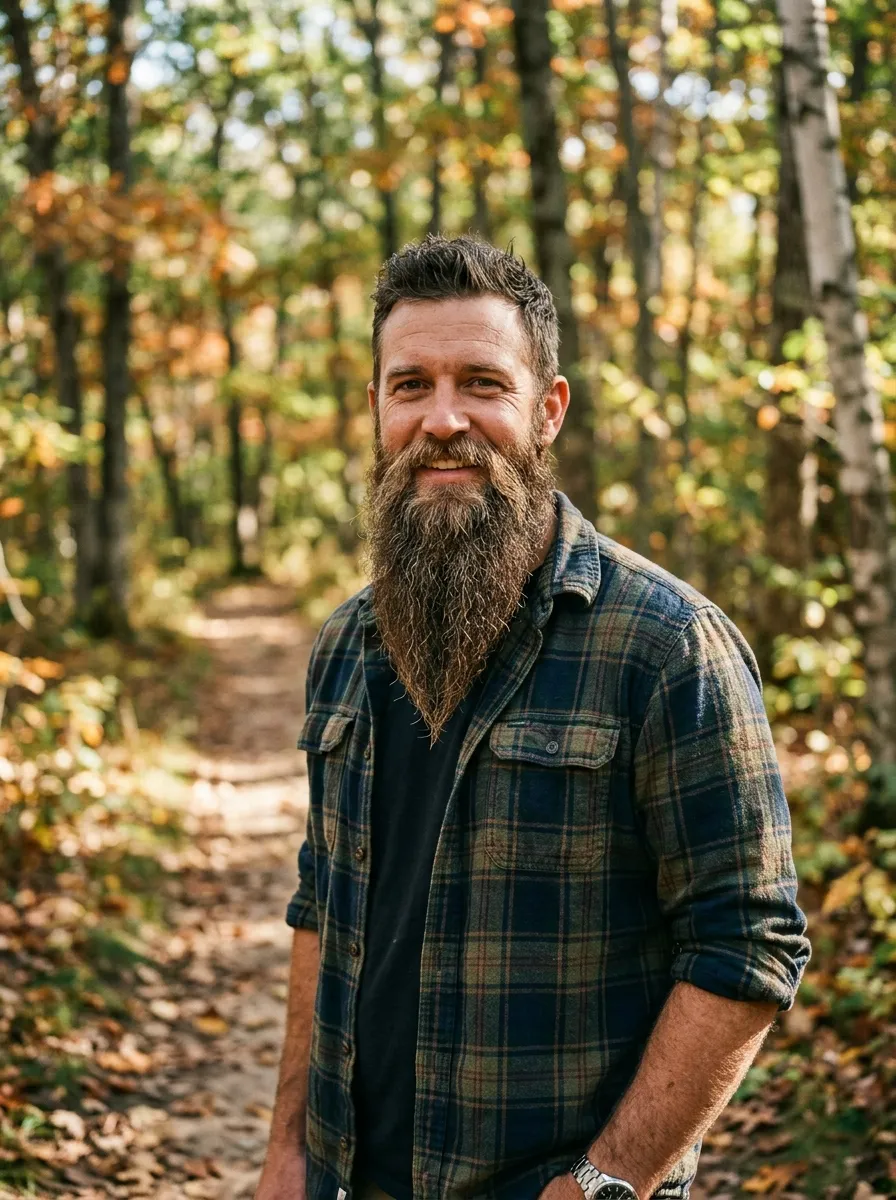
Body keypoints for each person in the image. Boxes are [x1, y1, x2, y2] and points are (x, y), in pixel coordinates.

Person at [254, 235, 810, 1200]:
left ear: (547, 408)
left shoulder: (668, 647)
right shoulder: (347, 644)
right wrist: (288, 1150)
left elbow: (748, 940)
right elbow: (324, 905)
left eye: (481, 383)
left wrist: (606, 1181)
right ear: (377, 408)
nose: (442, 420)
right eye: (409, 386)